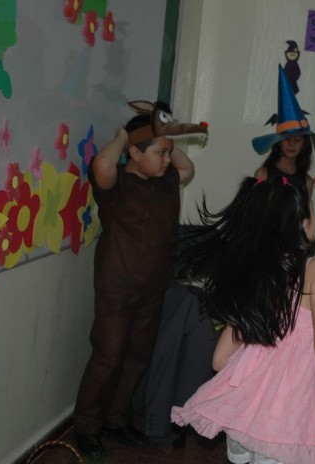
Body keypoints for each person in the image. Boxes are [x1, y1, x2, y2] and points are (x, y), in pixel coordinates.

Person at [171, 177, 315, 464]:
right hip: (287, 423)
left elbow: (220, 360)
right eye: (312, 207)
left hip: (245, 418)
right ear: (303, 225)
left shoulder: (256, 279)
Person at [73, 101, 207, 457]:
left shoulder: (165, 181)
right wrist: (122, 136)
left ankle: (116, 419)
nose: (167, 159)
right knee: (109, 356)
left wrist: (165, 134)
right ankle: (85, 426)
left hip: (153, 288)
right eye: (160, 153)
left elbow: (187, 167)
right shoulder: (117, 184)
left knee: (137, 358)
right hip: (118, 289)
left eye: (168, 152)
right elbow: (102, 165)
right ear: (134, 152)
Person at [253, 64, 315, 199]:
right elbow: (255, 209)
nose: (292, 144)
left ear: (304, 143)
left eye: (298, 140)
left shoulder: (307, 182)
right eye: (287, 139)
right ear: (278, 142)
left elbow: (306, 212)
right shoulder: (263, 175)